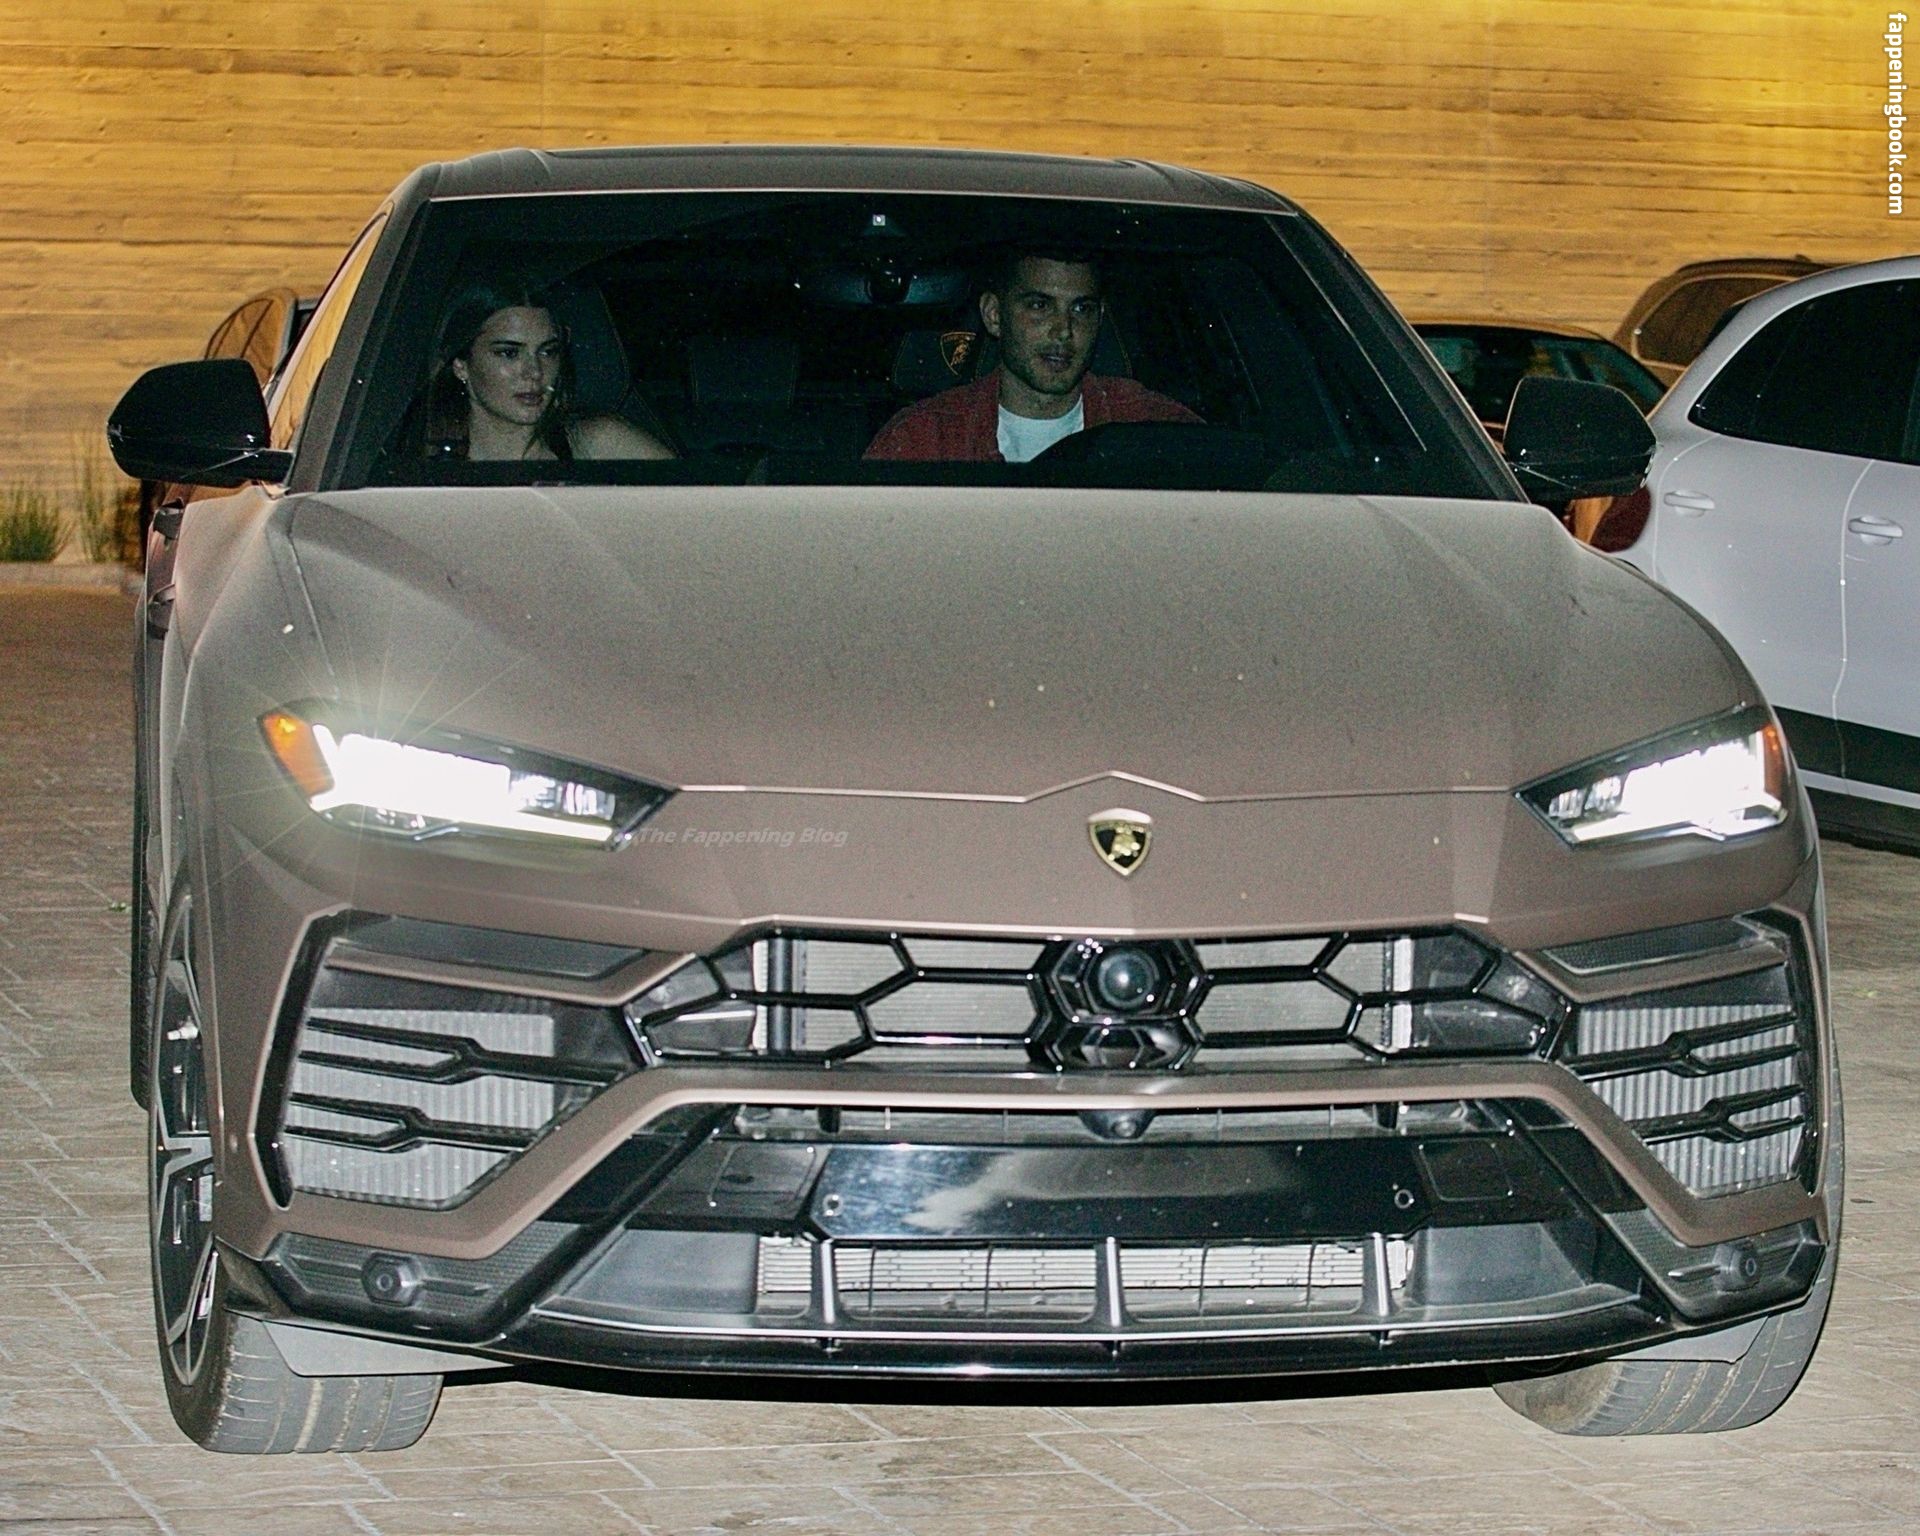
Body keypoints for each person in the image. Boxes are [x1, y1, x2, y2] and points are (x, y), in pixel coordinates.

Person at [864, 251, 1198, 462]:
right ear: (994, 315)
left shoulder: (1157, 429)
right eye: (1040, 306)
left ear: (1099, 319)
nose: (1064, 331)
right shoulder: (925, 440)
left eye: (1081, 309)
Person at [425, 282, 673, 461]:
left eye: (548, 352)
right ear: (461, 365)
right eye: (509, 353)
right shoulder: (419, 466)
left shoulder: (599, 444)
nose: (534, 372)